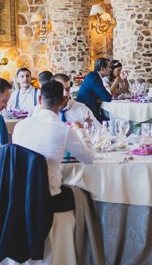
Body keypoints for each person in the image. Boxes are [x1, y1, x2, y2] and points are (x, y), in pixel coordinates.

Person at [11, 80, 95, 212]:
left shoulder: (19, 126)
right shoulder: (64, 130)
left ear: (39, 99)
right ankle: (78, 231)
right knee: (85, 194)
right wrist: (81, 130)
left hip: (19, 196)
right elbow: (88, 159)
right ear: (63, 101)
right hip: (49, 198)